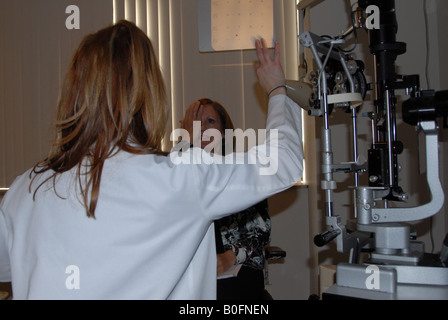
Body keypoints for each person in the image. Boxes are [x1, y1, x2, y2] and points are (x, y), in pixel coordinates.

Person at [0, 20, 303, 299]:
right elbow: (284, 160)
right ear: (150, 95)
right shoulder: (180, 179)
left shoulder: (25, 190)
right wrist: (276, 90)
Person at [178, 98, 271, 300]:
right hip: (192, 271)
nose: (202, 128)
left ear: (223, 133)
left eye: (210, 121)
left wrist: (229, 258)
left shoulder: (242, 171)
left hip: (237, 268)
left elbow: (262, 232)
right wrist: (186, 142)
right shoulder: (179, 172)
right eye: (196, 121)